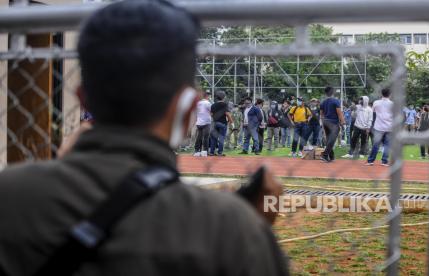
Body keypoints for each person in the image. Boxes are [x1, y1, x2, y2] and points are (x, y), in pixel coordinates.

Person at [0, 2, 289, 276]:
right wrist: (248, 231)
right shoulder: (228, 227)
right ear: (189, 108)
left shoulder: (11, 195)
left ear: (82, 100)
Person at [366, 88, 393, 166]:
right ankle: (384, 161)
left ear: (381, 94)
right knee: (387, 145)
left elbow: (373, 112)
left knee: (376, 144)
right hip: (389, 127)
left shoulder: (376, 102)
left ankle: (370, 160)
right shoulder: (392, 104)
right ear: (390, 94)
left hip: (378, 127)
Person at [320, 86, 345, 162]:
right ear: (333, 92)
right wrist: (343, 122)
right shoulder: (336, 101)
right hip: (334, 122)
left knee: (329, 139)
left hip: (326, 121)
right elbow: (339, 113)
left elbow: (321, 114)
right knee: (332, 140)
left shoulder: (323, 102)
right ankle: (325, 155)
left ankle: (331, 157)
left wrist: (323, 121)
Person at [209, 91, 233, 156]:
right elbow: (227, 114)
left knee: (214, 138)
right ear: (223, 97)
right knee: (221, 138)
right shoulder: (224, 104)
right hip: (222, 123)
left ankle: (211, 152)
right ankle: (220, 152)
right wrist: (232, 123)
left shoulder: (213, 105)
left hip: (214, 123)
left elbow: (211, 114)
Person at [193, 90, 211, 157]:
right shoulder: (207, 103)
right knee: (206, 137)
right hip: (206, 122)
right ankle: (204, 151)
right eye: (208, 95)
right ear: (207, 96)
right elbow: (211, 111)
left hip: (199, 122)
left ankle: (197, 151)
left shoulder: (198, 103)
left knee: (199, 137)